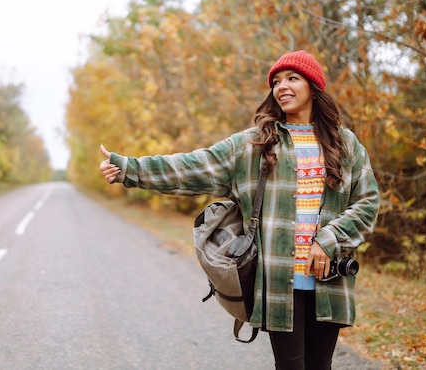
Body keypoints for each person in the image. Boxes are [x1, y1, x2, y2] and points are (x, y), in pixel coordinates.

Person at [99, 50, 380, 370]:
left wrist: (327, 241)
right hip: (278, 283)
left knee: (321, 366)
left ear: (313, 87)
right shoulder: (255, 145)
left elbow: (368, 203)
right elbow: (191, 167)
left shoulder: (345, 144)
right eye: (276, 81)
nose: (281, 86)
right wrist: (128, 168)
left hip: (330, 281)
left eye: (292, 78)